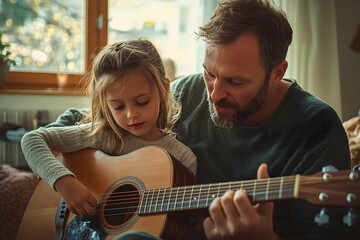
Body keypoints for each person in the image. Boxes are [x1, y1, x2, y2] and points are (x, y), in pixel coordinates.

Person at [41, 0, 358, 239]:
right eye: (210, 74)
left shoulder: (317, 128)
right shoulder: (188, 91)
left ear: (277, 72)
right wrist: (61, 176)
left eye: (235, 82)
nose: (215, 94)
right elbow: (89, 121)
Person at [21, 39, 197, 217]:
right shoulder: (104, 135)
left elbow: (181, 222)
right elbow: (31, 140)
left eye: (142, 102)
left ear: (164, 90)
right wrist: (64, 182)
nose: (131, 114)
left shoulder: (182, 159)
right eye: (118, 106)